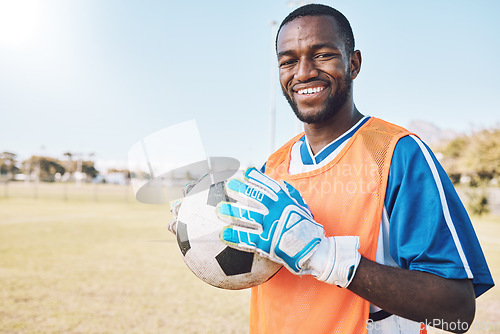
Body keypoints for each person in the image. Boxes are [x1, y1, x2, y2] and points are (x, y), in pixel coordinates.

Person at [214, 4, 494, 334]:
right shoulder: (270, 169)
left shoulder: (398, 154)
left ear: (354, 63)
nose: (303, 72)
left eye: (321, 55)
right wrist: (203, 230)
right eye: (288, 60)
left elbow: (456, 311)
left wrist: (323, 255)